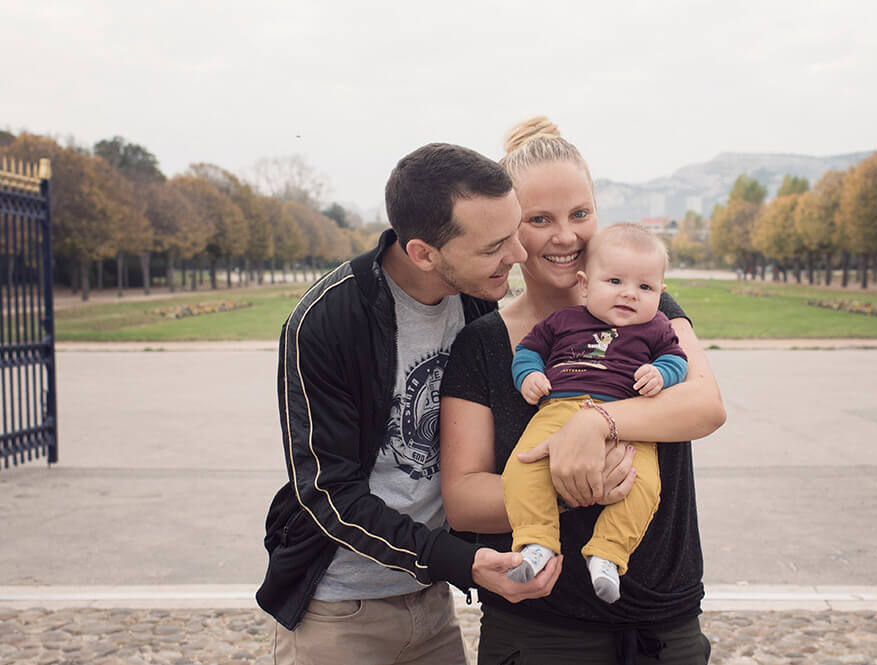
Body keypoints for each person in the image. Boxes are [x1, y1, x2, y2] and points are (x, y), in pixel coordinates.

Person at [257, 143, 562, 665]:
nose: (517, 253)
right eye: (494, 246)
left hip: (433, 600)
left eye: (515, 231)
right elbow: (328, 493)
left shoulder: (478, 302)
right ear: (423, 252)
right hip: (338, 611)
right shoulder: (327, 322)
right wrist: (459, 561)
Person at [440, 117, 726, 665]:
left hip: (663, 622)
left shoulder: (645, 308)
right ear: (509, 228)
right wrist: (572, 479)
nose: (565, 236)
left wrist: (596, 424)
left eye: (580, 214)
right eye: (538, 219)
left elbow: (705, 404)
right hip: (541, 628)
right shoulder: (484, 343)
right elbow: (463, 498)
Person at [504, 223, 689, 606]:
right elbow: (528, 350)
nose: (628, 294)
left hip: (629, 419)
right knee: (521, 468)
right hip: (560, 409)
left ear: (661, 294)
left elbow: (677, 360)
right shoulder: (564, 320)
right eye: (615, 281)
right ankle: (536, 540)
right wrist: (530, 375)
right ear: (585, 284)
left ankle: (608, 554)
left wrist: (661, 372)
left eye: (645, 287)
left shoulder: (656, 327)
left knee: (645, 486)